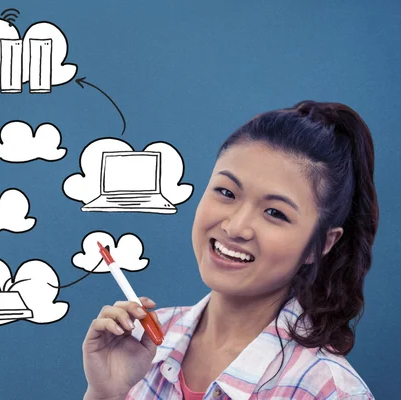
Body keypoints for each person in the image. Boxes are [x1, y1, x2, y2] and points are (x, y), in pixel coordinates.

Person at [82, 100, 379, 400]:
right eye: (226, 192)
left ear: (322, 244)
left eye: (275, 213)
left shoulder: (328, 391)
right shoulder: (144, 342)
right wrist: (105, 394)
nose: (236, 227)